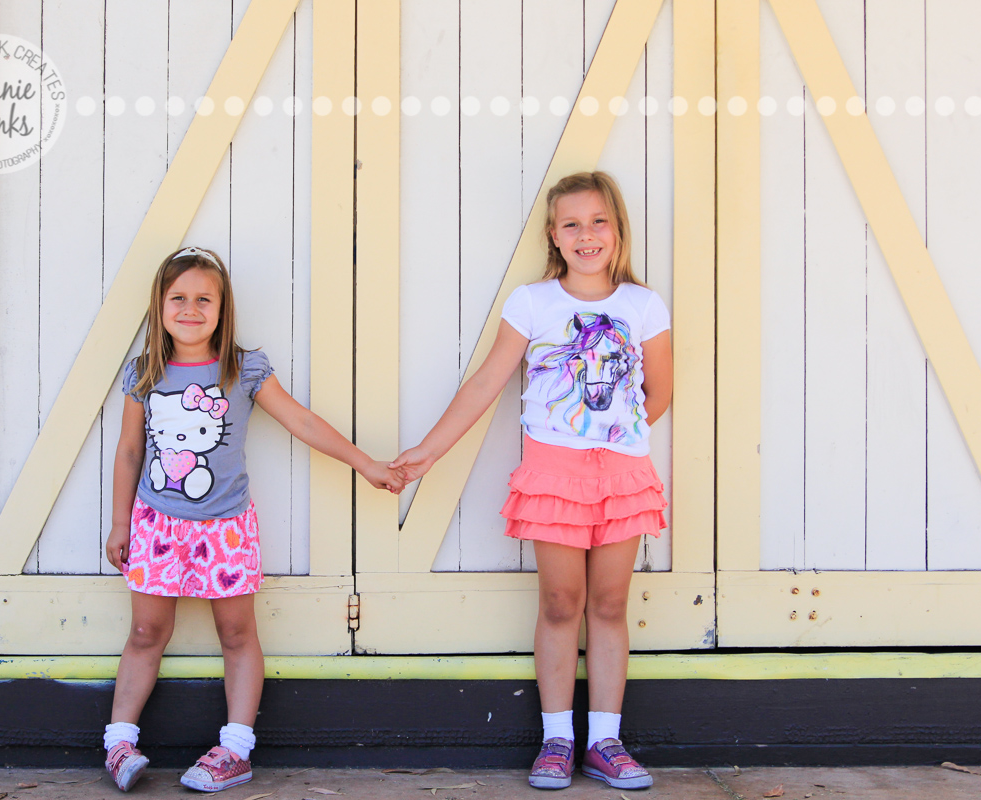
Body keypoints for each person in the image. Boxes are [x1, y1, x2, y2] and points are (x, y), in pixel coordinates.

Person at [391, 172, 672, 791]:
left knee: (609, 605)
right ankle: (557, 739)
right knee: (560, 603)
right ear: (553, 235)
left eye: (598, 221)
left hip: (624, 476)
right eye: (572, 224)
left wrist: (608, 436)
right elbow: (486, 384)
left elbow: (659, 391)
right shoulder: (533, 303)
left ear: (617, 229)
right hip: (553, 476)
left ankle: (604, 741)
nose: (586, 235)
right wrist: (429, 452)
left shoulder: (643, 306)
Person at [103, 246, 403, 793]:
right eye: (178, 298)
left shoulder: (243, 370)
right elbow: (128, 451)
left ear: (223, 309)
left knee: (238, 633)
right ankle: (119, 742)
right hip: (157, 526)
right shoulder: (143, 374)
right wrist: (121, 523)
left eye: (204, 299)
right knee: (146, 632)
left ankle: (235, 750)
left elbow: (302, 422)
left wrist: (366, 463)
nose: (190, 309)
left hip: (226, 529)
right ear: (159, 305)